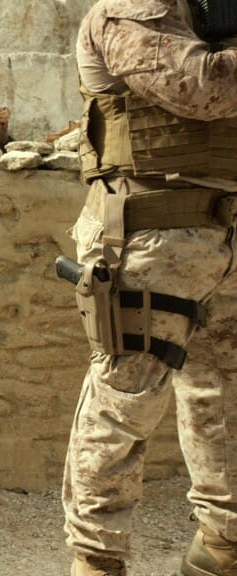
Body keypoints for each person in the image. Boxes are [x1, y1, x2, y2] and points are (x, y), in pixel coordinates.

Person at [63, 2, 237, 575]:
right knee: (125, 403)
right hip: (147, 235)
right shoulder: (130, 9)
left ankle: (222, 547)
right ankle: (97, 558)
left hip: (224, 238)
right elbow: (202, 88)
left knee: (224, 399)